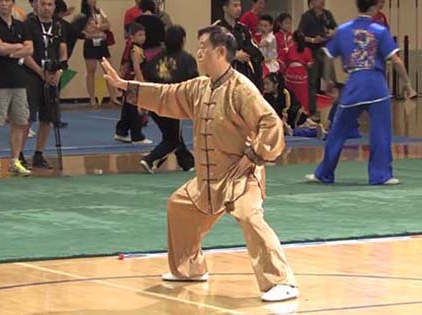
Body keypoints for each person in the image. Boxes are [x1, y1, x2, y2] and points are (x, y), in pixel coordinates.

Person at [102, 25, 299, 302]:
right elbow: (166, 95)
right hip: (208, 179)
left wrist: (254, 156)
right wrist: (126, 87)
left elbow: (270, 123)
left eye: (203, 47)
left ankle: (281, 281)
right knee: (180, 206)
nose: (198, 53)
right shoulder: (200, 86)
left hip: (240, 176)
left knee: (249, 216)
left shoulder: (242, 89)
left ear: (220, 52)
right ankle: (189, 268)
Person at [305, 0, 416, 185]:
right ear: (373, 7)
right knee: (381, 132)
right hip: (377, 87)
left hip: (354, 86)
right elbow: (396, 61)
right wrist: (407, 84)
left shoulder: (342, 30)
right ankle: (381, 175)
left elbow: (328, 57)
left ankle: (324, 173)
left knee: (337, 131)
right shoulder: (380, 31)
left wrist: (329, 82)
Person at [0, 0, 33, 178]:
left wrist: (13, 51)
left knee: (20, 122)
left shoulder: (21, 25)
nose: (4, 4)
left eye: (7, 0)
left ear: (12, 3)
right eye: (1, 1)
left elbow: (30, 49)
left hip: (19, 81)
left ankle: (15, 160)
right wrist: (18, 47)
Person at [140, 25, 196, 173]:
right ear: (183, 40)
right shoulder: (187, 59)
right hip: (173, 103)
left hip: (154, 101)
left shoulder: (156, 59)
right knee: (173, 140)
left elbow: (146, 75)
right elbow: (194, 81)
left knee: (172, 134)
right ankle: (150, 160)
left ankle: (187, 163)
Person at [22, 0, 68, 169]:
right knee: (27, 117)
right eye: (43, 4)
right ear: (37, 6)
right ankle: (19, 155)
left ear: (54, 7)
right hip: (32, 74)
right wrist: (40, 73)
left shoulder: (59, 26)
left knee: (47, 117)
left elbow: (63, 52)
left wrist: (59, 71)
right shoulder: (28, 24)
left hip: (53, 74)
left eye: (50, 4)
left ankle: (39, 154)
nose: (46, 8)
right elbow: (25, 54)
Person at [73, 0, 117, 107]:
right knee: (91, 72)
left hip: (101, 42)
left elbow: (108, 24)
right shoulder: (82, 16)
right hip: (90, 43)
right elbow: (76, 29)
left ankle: (113, 97)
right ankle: (92, 99)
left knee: (108, 70)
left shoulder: (100, 11)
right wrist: (87, 34)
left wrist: (97, 27)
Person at [298, 0, 337, 120]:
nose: (322, 2)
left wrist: (331, 34)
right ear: (311, 3)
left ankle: (336, 112)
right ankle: (312, 113)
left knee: (332, 82)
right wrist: (313, 40)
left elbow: (336, 29)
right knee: (312, 83)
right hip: (312, 52)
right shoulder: (306, 17)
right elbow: (300, 35)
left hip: (326, 51)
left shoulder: (327, 15)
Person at [114, 22, 151, 144]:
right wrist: (142, 83)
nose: (143, 37)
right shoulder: (135, 50)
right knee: (136, 109)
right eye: (139, 35)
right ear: (132, 37)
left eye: (144, 35)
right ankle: (137, 135)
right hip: (135, 82)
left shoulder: (134, 48)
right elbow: (136, 67)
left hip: (131, 81)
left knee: (129, 107)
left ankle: (121, 131)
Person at [216, 0, 264, 90]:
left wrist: (245, 51)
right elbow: (213, 53)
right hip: (223, 78)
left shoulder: (243, 29)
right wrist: (233, 55)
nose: (238, 9)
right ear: (225, 8)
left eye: (239, 5)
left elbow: (256, 51)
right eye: (235, 5)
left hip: (242, 76)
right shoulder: (217, 29)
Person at [263, 72, 325, 138]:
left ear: (276, 84)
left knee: (304, 129)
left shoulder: (285, 93)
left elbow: (286, 109)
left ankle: (317, 131)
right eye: (264, 84)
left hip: (296, 118)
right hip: (282, 121)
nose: (265, 87)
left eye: (267, 84)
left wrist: (283, 123)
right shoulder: (266, 95)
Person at [280, 31, 313, 114]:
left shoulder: (288, 49)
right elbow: (309, 65)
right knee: (302, 97)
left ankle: (290, 113)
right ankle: (303, 114)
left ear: (293, 39)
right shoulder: (307, 50)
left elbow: (282, 63)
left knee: (290, 96)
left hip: (290, 76)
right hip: (301, 77)